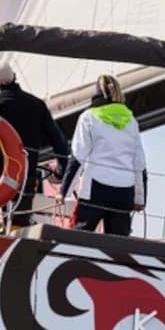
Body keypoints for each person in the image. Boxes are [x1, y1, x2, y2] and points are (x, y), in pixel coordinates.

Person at [0, 60, 69, 227]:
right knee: (18, 223)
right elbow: (59, 142)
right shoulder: (37, 105)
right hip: (25, 175)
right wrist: (62, 169)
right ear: (14, 76)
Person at [56, 74, 146, 236]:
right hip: (124, 191)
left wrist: (64, 192)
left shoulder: (89, 117)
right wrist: (140, 199)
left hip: (96, 189)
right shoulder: (131, 120)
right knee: (118, 244)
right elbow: (139, 164)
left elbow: (78, 157)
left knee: (78, 237)